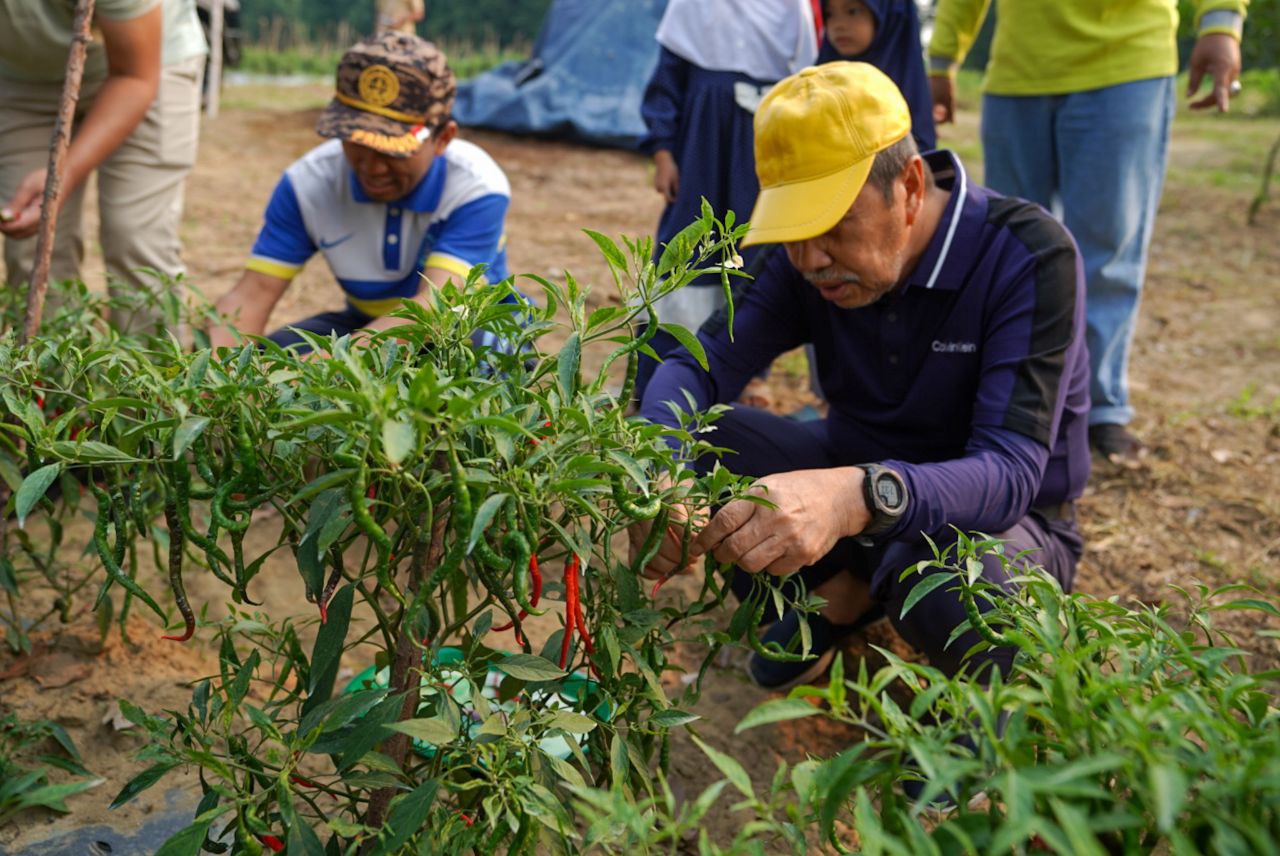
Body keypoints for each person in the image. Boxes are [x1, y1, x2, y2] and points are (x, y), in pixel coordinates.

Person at [633, 62, 1090, 690]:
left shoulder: (1027, 255)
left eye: (833, 228)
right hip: (852, 472)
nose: (811, 260)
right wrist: (658, 470)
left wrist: (856, 497)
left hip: (1000, 525)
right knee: (708, 441)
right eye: (793, 233)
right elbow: (694, 364)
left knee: (947, 571)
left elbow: (1010, 473)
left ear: (908, 185)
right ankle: (833, 599)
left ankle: (986, 729)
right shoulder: (806, 260)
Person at [927, 0, 1248, 463]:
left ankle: (1099, 407)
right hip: (1019, 72)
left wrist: (1221, 22)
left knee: (1107, 252)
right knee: (1007, 254)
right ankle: (1009, 399)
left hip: (1125, 64)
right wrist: (942, 58)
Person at [208, 33, 515, 354]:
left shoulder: (475, 186)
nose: (372, 167)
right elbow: (253, 292)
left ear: (443, 138)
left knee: (475, 355)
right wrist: (219, 371)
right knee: (272, 355)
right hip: (366, 323)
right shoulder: (308, 183)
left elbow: (436, 309)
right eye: (356, 142)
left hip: (462, 327)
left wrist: (325, 369)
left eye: (392, 150)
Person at [634, 0, 818, 403]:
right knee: (686, 246)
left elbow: (806, 82)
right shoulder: (692, 6)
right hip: (701, 147)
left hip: (764, 148)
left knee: (755, 249)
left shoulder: (793, 9)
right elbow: (666, 82)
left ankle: (748, 374)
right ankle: (658, 370)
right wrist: (663, 150)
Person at [0, 0, 206, 333]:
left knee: (135, 237)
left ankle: (149, 380)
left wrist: (59, 178)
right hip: (25, 77)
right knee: (29, 248)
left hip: (145, 61)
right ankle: (52, 380)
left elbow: (135, 77)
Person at [818, 0, 936, 152]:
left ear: (890, 17)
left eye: (852, 11)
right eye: (829, 14)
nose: (838, 24)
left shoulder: (910, 96)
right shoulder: (816, 86)